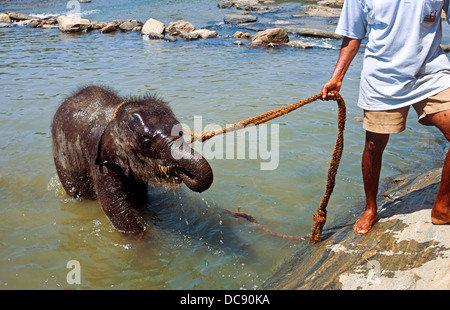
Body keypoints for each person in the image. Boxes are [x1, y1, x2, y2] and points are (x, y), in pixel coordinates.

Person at [322, 0, 450, 234]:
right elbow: (353, 35)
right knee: (373, 146)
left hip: (431, 73)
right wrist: (337, 77)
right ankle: (370, 208)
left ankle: (442, 207)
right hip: (383, 78)